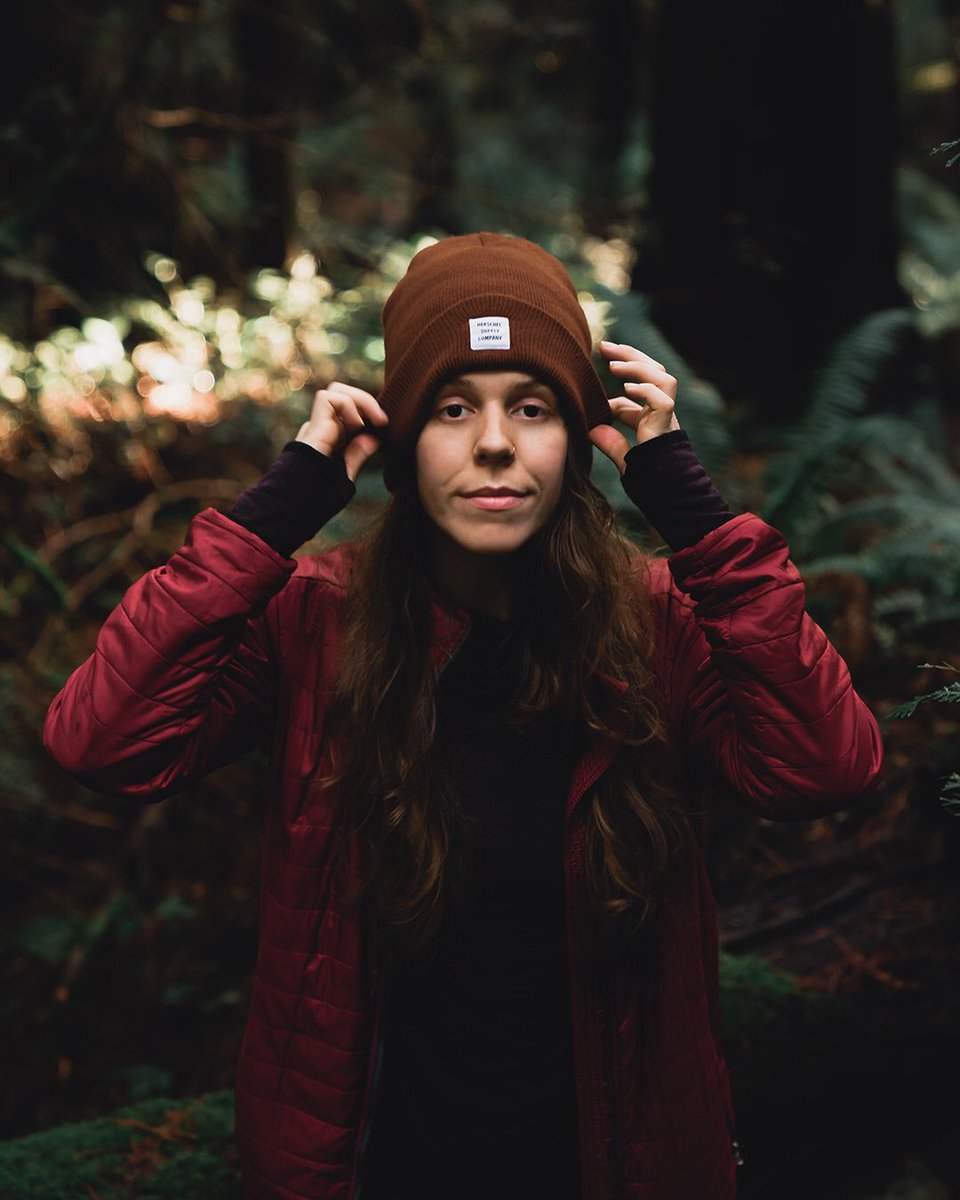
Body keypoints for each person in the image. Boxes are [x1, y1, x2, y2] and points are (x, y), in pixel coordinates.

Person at [43, 232, 884, 1200]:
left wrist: (689, 506)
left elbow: (827, 768)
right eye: (452, 409)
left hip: (616, 1166)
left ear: (579, 439)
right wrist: (282, 504)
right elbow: (100, 740)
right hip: (374, 1169)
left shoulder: (658, 622)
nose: (494, 443)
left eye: (532, 408)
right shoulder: (315, 619)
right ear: (401, 442)